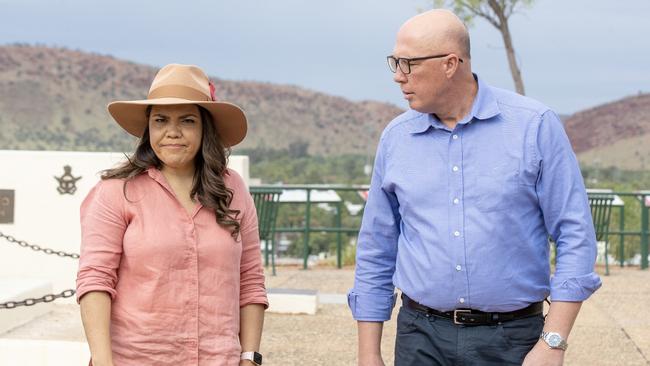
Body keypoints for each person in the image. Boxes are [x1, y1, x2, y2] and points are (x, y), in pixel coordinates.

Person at [348, 9, 601, 366]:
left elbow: (576, 235)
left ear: (451, 63)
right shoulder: (396, 139)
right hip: (419, 338)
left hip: (513, 342)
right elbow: (376, 247)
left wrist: (553, 342)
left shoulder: (535, 127)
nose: (398, 77)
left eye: (408, 64)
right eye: (395, 63)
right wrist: (368, 354)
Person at [76, 64, 268, 366]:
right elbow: (96, 280)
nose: (172, 132)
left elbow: (251, 279)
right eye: (161, 120)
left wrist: (250, 357)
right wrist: (102, 361)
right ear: (148, 128)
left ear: (205, 127)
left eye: (187, 121)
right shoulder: (116, 192)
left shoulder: (233, 189)